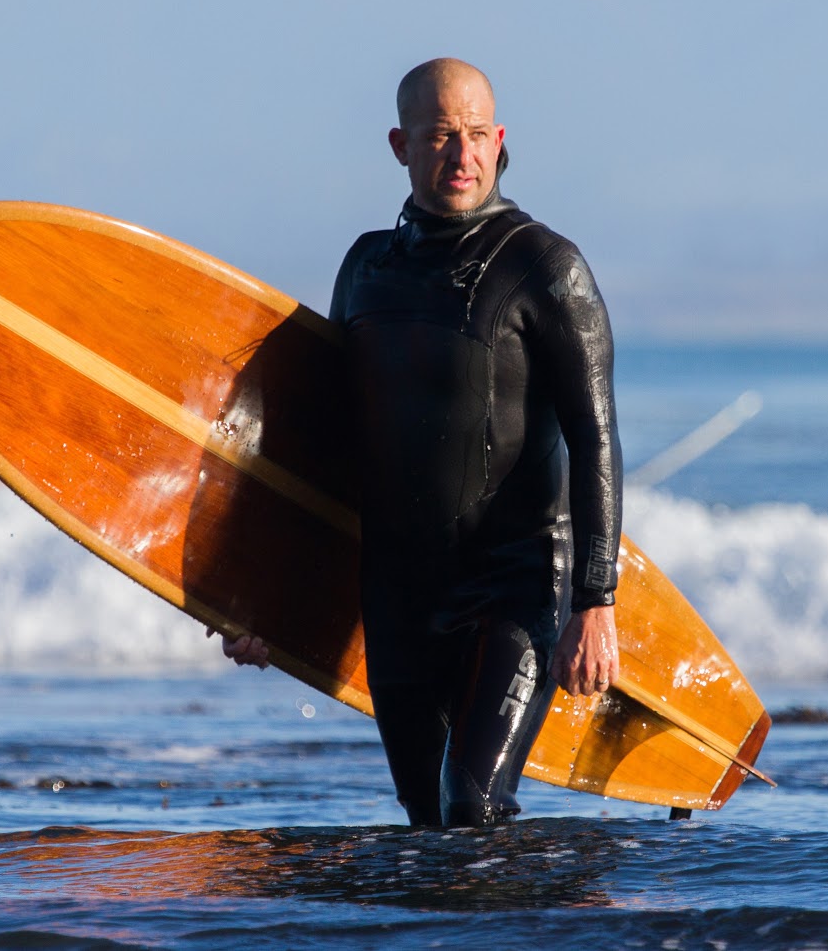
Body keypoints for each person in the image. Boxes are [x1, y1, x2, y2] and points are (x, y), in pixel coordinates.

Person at [222, 58, 622, 827]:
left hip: (517, 583)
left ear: (500, 139)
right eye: (441, 136)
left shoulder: (545, 267)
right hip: (400, 592)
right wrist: (271, 600)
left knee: (471, 803)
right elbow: (329, 451)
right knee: (425, 819)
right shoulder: (368, 268)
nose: (462, 155)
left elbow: (595, 437)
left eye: (476, 135)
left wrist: (595, 603)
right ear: (400, 144)